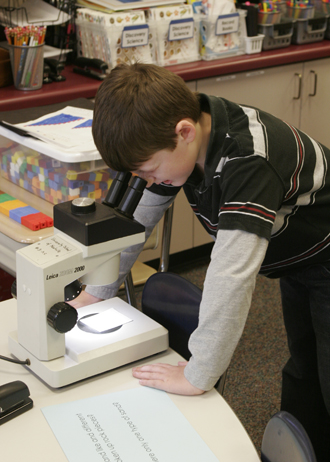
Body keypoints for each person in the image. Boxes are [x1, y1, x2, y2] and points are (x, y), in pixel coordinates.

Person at [71, 62, 330, 461]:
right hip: (298, 258)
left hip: (324, 256)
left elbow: (231, 277)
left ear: (185, 133)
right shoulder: (181, 144)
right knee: (304, 365)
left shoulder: (248, 161)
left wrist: (198, 374)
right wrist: (95, 293)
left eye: (149, 170)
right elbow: (135, 222)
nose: (150, 180)